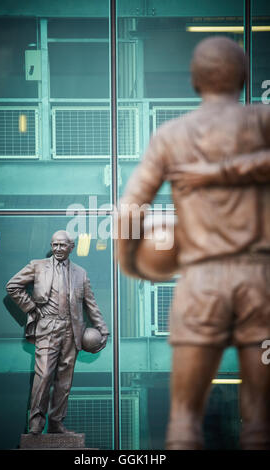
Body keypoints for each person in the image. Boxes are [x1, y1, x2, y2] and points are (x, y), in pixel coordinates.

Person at [117, 36, 270, 450]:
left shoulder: (171, 135)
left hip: (200, 281)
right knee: (262, 422)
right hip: (262, 281)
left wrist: (130, 263)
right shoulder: (262, 123)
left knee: (183, 420)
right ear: (242, 78)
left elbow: (129, 210)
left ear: (194, 81)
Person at [6, 230, 109, 435]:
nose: (58, 249)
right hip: (47, 328)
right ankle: (35, 421)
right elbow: (13, 286)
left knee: (64, 381)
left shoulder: (81, 273)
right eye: (55, 245)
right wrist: (31, 307)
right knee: (43, 375)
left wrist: (102, 328)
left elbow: (91, 304)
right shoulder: (37, 266)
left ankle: (56, 423)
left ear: (71, 247)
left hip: (72, 330)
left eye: (63, 245)